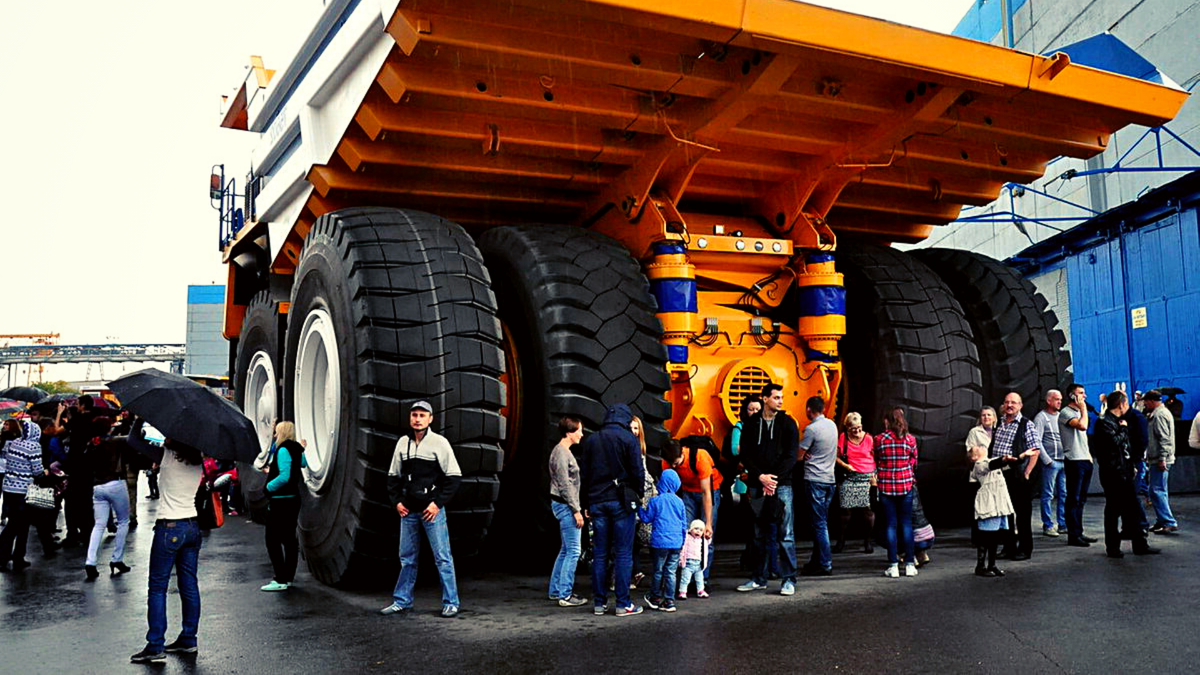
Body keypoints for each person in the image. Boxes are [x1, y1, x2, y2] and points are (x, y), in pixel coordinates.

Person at [128, 419, 205, 663]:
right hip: (192, 525)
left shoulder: (167, 455)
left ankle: (155, 644)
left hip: (169, 527)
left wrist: (138, 417)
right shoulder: (197, 460)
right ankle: (188, 639)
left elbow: (133, 440)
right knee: (189, 585)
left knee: (158, 587)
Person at [381, 401, 462, 618]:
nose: (417, 419)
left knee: (442, 558)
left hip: (431, 511)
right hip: (408, 512)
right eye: (414, 415)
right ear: (410, 418)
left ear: (430, 419)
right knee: (407, 558)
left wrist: (437, 504)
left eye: (422, 415)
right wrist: (397, 502)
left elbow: (454, 477)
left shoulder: (439, 443)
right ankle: (402, 601)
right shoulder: (402, 443)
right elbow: (392, 477)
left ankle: (451, 602)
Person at [578, 403, 644, 617]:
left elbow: (584, 475)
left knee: (600, 553)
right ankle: (623, 604)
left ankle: (599, 603)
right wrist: (639, 493)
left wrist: (585, 503)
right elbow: (637, 471)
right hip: (621, 501)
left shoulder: (591, 440)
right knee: (623, 553)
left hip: (597, 501)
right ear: (625, 420)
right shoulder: (628, 439)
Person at [737, 382, 799, 595]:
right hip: (757, 484)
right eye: (776, 397)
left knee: (786, 533)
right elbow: (745, 454)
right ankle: (758, 578)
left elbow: (792, 456)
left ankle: (789, 579)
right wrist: (760, 477)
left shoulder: (788, 423)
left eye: (781, 397)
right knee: (757, 534)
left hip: (782, 486)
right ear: (765, 398)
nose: (780, 401)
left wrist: (773, 480)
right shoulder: (751, 423)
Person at [1092, 391, 1160, 559]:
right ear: (1122, 404)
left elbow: (1125, 448)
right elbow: (1113, 443)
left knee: (1132, 510)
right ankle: (1113, 547)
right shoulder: (1105, 423)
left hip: (1124, 471)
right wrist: (1123, 430)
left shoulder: (1114, 421)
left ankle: (1139, 544)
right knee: (1114, 510)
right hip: (1113, 473)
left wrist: (1132, 465)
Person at [969, 444, 1036, 577]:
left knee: (994, 537)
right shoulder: (979, 465)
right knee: (986, 536)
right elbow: (994, 464)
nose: (980, 446)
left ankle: (992, 565)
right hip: (989, 504)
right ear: (974, 456)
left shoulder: (992, 462)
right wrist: (1004, 459)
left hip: (998, 503)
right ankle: (980, 566)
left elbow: (1010, 462)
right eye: (976, 448)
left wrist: (1022, 455)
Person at [661, 435, 720, 585]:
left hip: (709, 490)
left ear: (682, 453)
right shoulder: (667, 462)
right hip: (687, 492)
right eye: (671, 464)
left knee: (706, 537)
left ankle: (703, 579)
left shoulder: (700, 457)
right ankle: (686, 578)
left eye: (676, 463)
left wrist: (708, 523)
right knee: (686, 534)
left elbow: (707, 493)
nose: (674, 467)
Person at [989, 393, 1041, 561]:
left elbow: (1035, 451)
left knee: (1023, 514)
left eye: (1013, 402)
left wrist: (1026, 473)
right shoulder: (1000, 424)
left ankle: (1025, 549)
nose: (1010, 405)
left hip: (1018, 475)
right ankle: (1009, 547)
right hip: (1000, 475)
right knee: (1006, 513)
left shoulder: (1027, 425)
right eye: (1007, 402)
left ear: (1020, 405)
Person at [83, 419, 132, 581]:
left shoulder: (92, 444)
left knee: (99, 525)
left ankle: (90, 562)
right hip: (116, 483)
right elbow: (133, 439)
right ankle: (117, 559)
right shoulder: (117, 441)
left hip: (97, 486)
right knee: (123, 521)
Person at [260, 421, 306, 592]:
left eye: (276, 432)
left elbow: (285, 476)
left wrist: (268, 487)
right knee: (289, 539)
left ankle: (280, 578)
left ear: (281, 433)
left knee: (272, 539)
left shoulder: (283, 449)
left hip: (281, 500)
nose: (274, 435)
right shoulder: (296, 448)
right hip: (293, 499)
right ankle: (288, 577)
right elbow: (302, 464)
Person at [875, 407, 919, 578]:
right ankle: (909, 564)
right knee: (907, 525)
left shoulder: (879, 439)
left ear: (887, 421)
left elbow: (876, 459)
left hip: (886, 486)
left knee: (891, 525)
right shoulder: (910, 439)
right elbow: (914, 461)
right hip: (906, 485)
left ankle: (893, 565)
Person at [547, 416, 587, 607]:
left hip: (561, 504)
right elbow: (564, 485)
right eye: (579, 430)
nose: (582, 434)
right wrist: (576, 510)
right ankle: (565, 594)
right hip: (565, 505)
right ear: (570, 432)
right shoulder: (562, 454)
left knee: (565, 550)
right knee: (573, 551)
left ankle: (556, 591)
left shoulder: (559, 451)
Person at [0, 420, 47, 572]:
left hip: (8, 488)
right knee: (19, 525)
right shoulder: (34, 446)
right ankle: (14, 557)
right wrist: (45, 472)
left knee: (15, 522)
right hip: (23, 490)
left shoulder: (13, 443)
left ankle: (9, 556)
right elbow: (37, 470)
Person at [798, 396, 837, 577]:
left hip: (815, 479)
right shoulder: (832, 425)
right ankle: (816, 561)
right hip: (830, 479)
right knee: (821, 522)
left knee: (819, 524)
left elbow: (799, 455)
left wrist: (803, 453)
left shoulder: (811, 429)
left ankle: (825, 563)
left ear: (808, 409)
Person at [638, 466, 685, 612]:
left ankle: (655, 597)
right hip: (676, 543)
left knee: (658, 570)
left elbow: (646, 519)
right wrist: (682, 541)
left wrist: (639, 507)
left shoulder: (655, 501)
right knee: (671, 572)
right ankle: (669, 601)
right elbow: (684, 524)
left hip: (660, 543)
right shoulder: (680, 502)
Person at [1059, 384, 1098, 547]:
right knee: (1073, 498)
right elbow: (1082, 426)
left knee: (1081, 499)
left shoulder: (1079, 412)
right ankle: (1073, 535)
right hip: (1074, 459)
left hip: (1085, 458)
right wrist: (1082, 408)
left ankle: (1079, 532)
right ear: (1071, 396)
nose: (1084, 396)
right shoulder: (1066, 413)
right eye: (1080, 393)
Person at [833, 411, 874, 554]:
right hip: (850, 476)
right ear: (847, 428)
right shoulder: (843, 438)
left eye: (859, 428)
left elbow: (877, 457)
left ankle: (868, 540)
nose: (857, 431)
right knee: (845, 511)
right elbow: (836, 457)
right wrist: (846, 466)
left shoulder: (869, 438)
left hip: (867, 477)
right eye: (853, 429)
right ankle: (841, 540)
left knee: (868, 511)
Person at [1142, 390, 1178, 534]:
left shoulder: (1159, 415)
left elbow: (1164, 438)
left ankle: (1168, 521)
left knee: (1157, 490)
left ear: (1151, 401)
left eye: (1145, 401)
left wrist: (1162, 458)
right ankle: (1162, 520)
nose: (1144, 404)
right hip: (1157, 458)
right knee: (1157, 490)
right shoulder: (1159, 414)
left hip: (1160, 459)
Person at [1034, 390, 1066, 538]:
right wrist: (1048, 461)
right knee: (1048, 495)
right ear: (1048, 401)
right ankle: (1048, 525)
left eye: (1060, 399)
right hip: (1051, 464)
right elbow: (1037, 441)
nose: (1059, 402)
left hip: (1064, 462)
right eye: (1056, 399)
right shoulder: (1041, 418)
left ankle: (1063, 524)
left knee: (1064, 494)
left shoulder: (1061, 416)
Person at [629, 415, 656, 589]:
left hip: (644, 497)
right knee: (630, 537)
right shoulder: (629, 449)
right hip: (634, 496)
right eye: (631, 428)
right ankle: (632, 572)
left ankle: (635, 571)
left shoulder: (641, 450)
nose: (634, 431)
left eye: (636, 428)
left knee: (638, 538)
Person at [677, 519, 709, 600]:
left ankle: (700, 590)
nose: (698, 531)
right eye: (696, 529)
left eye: (701, 530)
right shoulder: (687, 538)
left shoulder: (703, 540)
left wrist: (707, 535)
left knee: (700, 579)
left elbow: (707, 543)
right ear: (691, 529)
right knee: (685, 579)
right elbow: (683, 549)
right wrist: (681, 561)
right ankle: (683, 591)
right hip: (688, 563)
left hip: (698, 564)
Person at [911, 485, 935, 566]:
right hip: (928, 535)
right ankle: (922, 554)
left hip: (917, 538)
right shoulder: (914, 489)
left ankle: (909, 557)